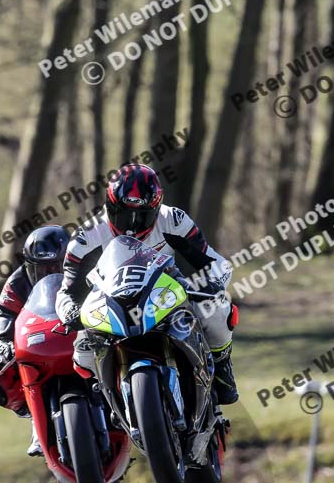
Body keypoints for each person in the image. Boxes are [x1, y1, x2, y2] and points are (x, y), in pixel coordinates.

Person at [55, 163, 238, 405]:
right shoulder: (86, 237)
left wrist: (212, 285)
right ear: (109, 206)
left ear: (156, 207)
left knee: (216, 310)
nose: (131, 224)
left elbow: (216, 262)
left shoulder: (172, 220)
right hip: (111, 309)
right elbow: (66, 291)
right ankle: (103, 402)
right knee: (83, 354)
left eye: (142, 216)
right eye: (124, 213)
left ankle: (222, 371)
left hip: (165, 297)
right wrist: (69, 310)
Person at [0, 225, 70, 456]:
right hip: (42, 341)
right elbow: (4, 319)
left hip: (81, 335)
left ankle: (131, 406)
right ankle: (36, 419)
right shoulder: (16, 284)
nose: (50, 273)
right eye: (42, 268)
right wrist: (4, 345)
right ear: (30, 267)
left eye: (56, 266)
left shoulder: (86, 269)